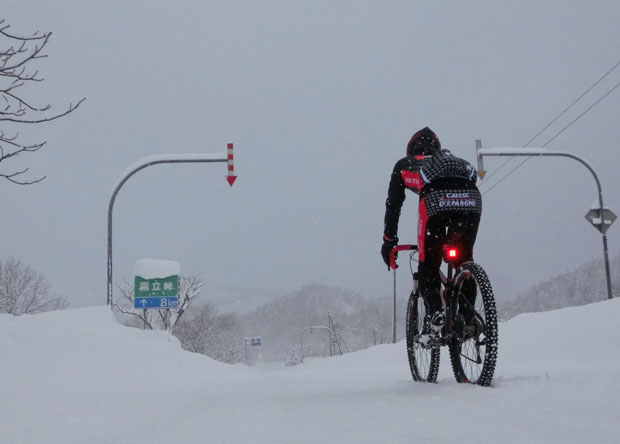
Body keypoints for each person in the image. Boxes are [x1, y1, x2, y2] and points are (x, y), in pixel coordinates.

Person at [381, 127, 482, 332]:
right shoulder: (457, 161)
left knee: (428, 264)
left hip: (436, 200)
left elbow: (393, 205)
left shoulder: (405, 165)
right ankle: (467, 316)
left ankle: (436, 313)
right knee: (464, 260)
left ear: (411, 150)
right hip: (471, 200)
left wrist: (388, 241)